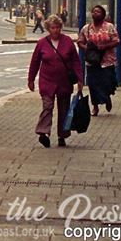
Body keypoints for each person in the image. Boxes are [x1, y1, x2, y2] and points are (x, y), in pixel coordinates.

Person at [28, 15, 84, 148]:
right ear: (48, 28)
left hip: (64, 81)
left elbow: (76, 61)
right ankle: (43, 133)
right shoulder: (42, 43)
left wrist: (80, 79)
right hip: (47, 81)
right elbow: (35, 62)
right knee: (47, 106)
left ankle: (62, 136)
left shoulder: (68, 41)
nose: (56, 30)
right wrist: (31, 80)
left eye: (58, 27)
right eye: (53, 28)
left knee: (64, 109)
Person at [77, 5, 120, 117]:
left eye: (99, 12)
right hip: (92, 61)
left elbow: (116, 40)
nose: (96, 13)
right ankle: (95, 106)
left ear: (103, 14)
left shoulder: (109, 27)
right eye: (94, 11)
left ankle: (107, 98)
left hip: (107, 61)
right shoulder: (86, 28)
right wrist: (86, 48)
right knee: (93, 85)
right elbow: (80, 41)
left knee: (107, 83)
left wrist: (105, 46)